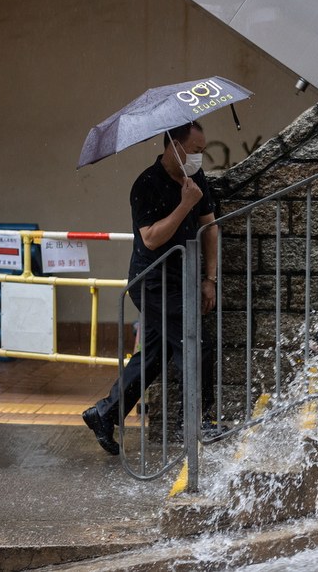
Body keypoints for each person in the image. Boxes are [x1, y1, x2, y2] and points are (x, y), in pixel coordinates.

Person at [82, 121, 218, 455]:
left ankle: (105, 413)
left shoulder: (195, 178)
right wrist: (185, 203)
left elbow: (210, 228)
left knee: (155, 355)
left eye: (203, 150)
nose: (200, 157)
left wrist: (209, 278)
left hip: (183, 277)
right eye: (196, 150)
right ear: (174, 145)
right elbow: (151, 237)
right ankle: (200, 421)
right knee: (195, 342)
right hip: (152, 281)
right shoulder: (146, 184)